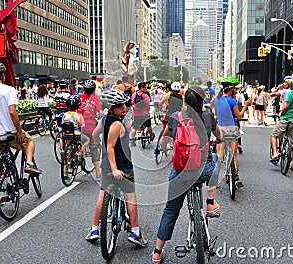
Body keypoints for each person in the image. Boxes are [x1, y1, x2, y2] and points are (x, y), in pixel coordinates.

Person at [151, 86, 221, 263]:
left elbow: (164, 139)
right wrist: (219, 139)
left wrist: (164, 146)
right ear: (202, 101)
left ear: (185, 102)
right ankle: (211, 203)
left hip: (181, 172)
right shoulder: (207, 115)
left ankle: (157, 252)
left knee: (170, 210)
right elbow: (217, 133)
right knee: (214, 157)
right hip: (203, 170)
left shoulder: (176, 117)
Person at [0, 61, 42, 209]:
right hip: (9, 133)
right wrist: (18, 129)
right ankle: (30, 163)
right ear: (3, 76)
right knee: (29, 141)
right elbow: (12, 112)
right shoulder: (9, 90)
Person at [86, 89, 148, 248]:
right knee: (130, 197)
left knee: (102, 195)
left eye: (124, 105)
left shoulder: (105, 119)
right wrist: (115, 168)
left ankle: (94, 229)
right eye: (119, 106)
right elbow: (111, 147)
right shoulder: (117, 125)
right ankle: (135, 232)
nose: (124, 108)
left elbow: (94, 135)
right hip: (122, 166)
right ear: (111, 107)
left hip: (106, 164)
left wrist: (99, 147)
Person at [214, 76, 251, 188]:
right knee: (234, 154)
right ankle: (235, 177)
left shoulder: (217, 100)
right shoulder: (232, 101)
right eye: (235, 88)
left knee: (219, 155)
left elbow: (216, 114)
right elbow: (239, 116)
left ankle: (214, 180)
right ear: (231, 90)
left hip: (220, 128)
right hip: (232, 128)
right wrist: (246, 105)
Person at [270, 72, 293, 171]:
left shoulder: (292, 92)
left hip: (287, 119)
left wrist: (281, 113)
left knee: (274, 135)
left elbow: (286, 107)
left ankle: (274, 153)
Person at [77, 80, 104, 179]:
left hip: (78, 127)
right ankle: (97, 173)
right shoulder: (96, 99)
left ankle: (66, 170)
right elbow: (101, 114)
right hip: (90, 127)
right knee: (94, 148)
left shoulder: (79, 97)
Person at [61, 95, 90, 177]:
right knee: (87, 140)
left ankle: (65, 171)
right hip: (76, 135)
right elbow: (82, 126)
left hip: (66, 135)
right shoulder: (79, 116)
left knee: (68, 155)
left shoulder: (64, 115)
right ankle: (80, 152)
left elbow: (62, 125)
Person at [129, 82, 154, 146]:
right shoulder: (145, 96)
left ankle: (132, 141)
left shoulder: (134, 95)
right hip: (145, 114)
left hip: (136, 114)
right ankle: (151, 135)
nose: (146, 88)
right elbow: (148, 105)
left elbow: (132, 103)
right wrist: (147, 111)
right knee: (149, 126)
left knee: (134, 128)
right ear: (141, 88)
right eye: (145, 87)